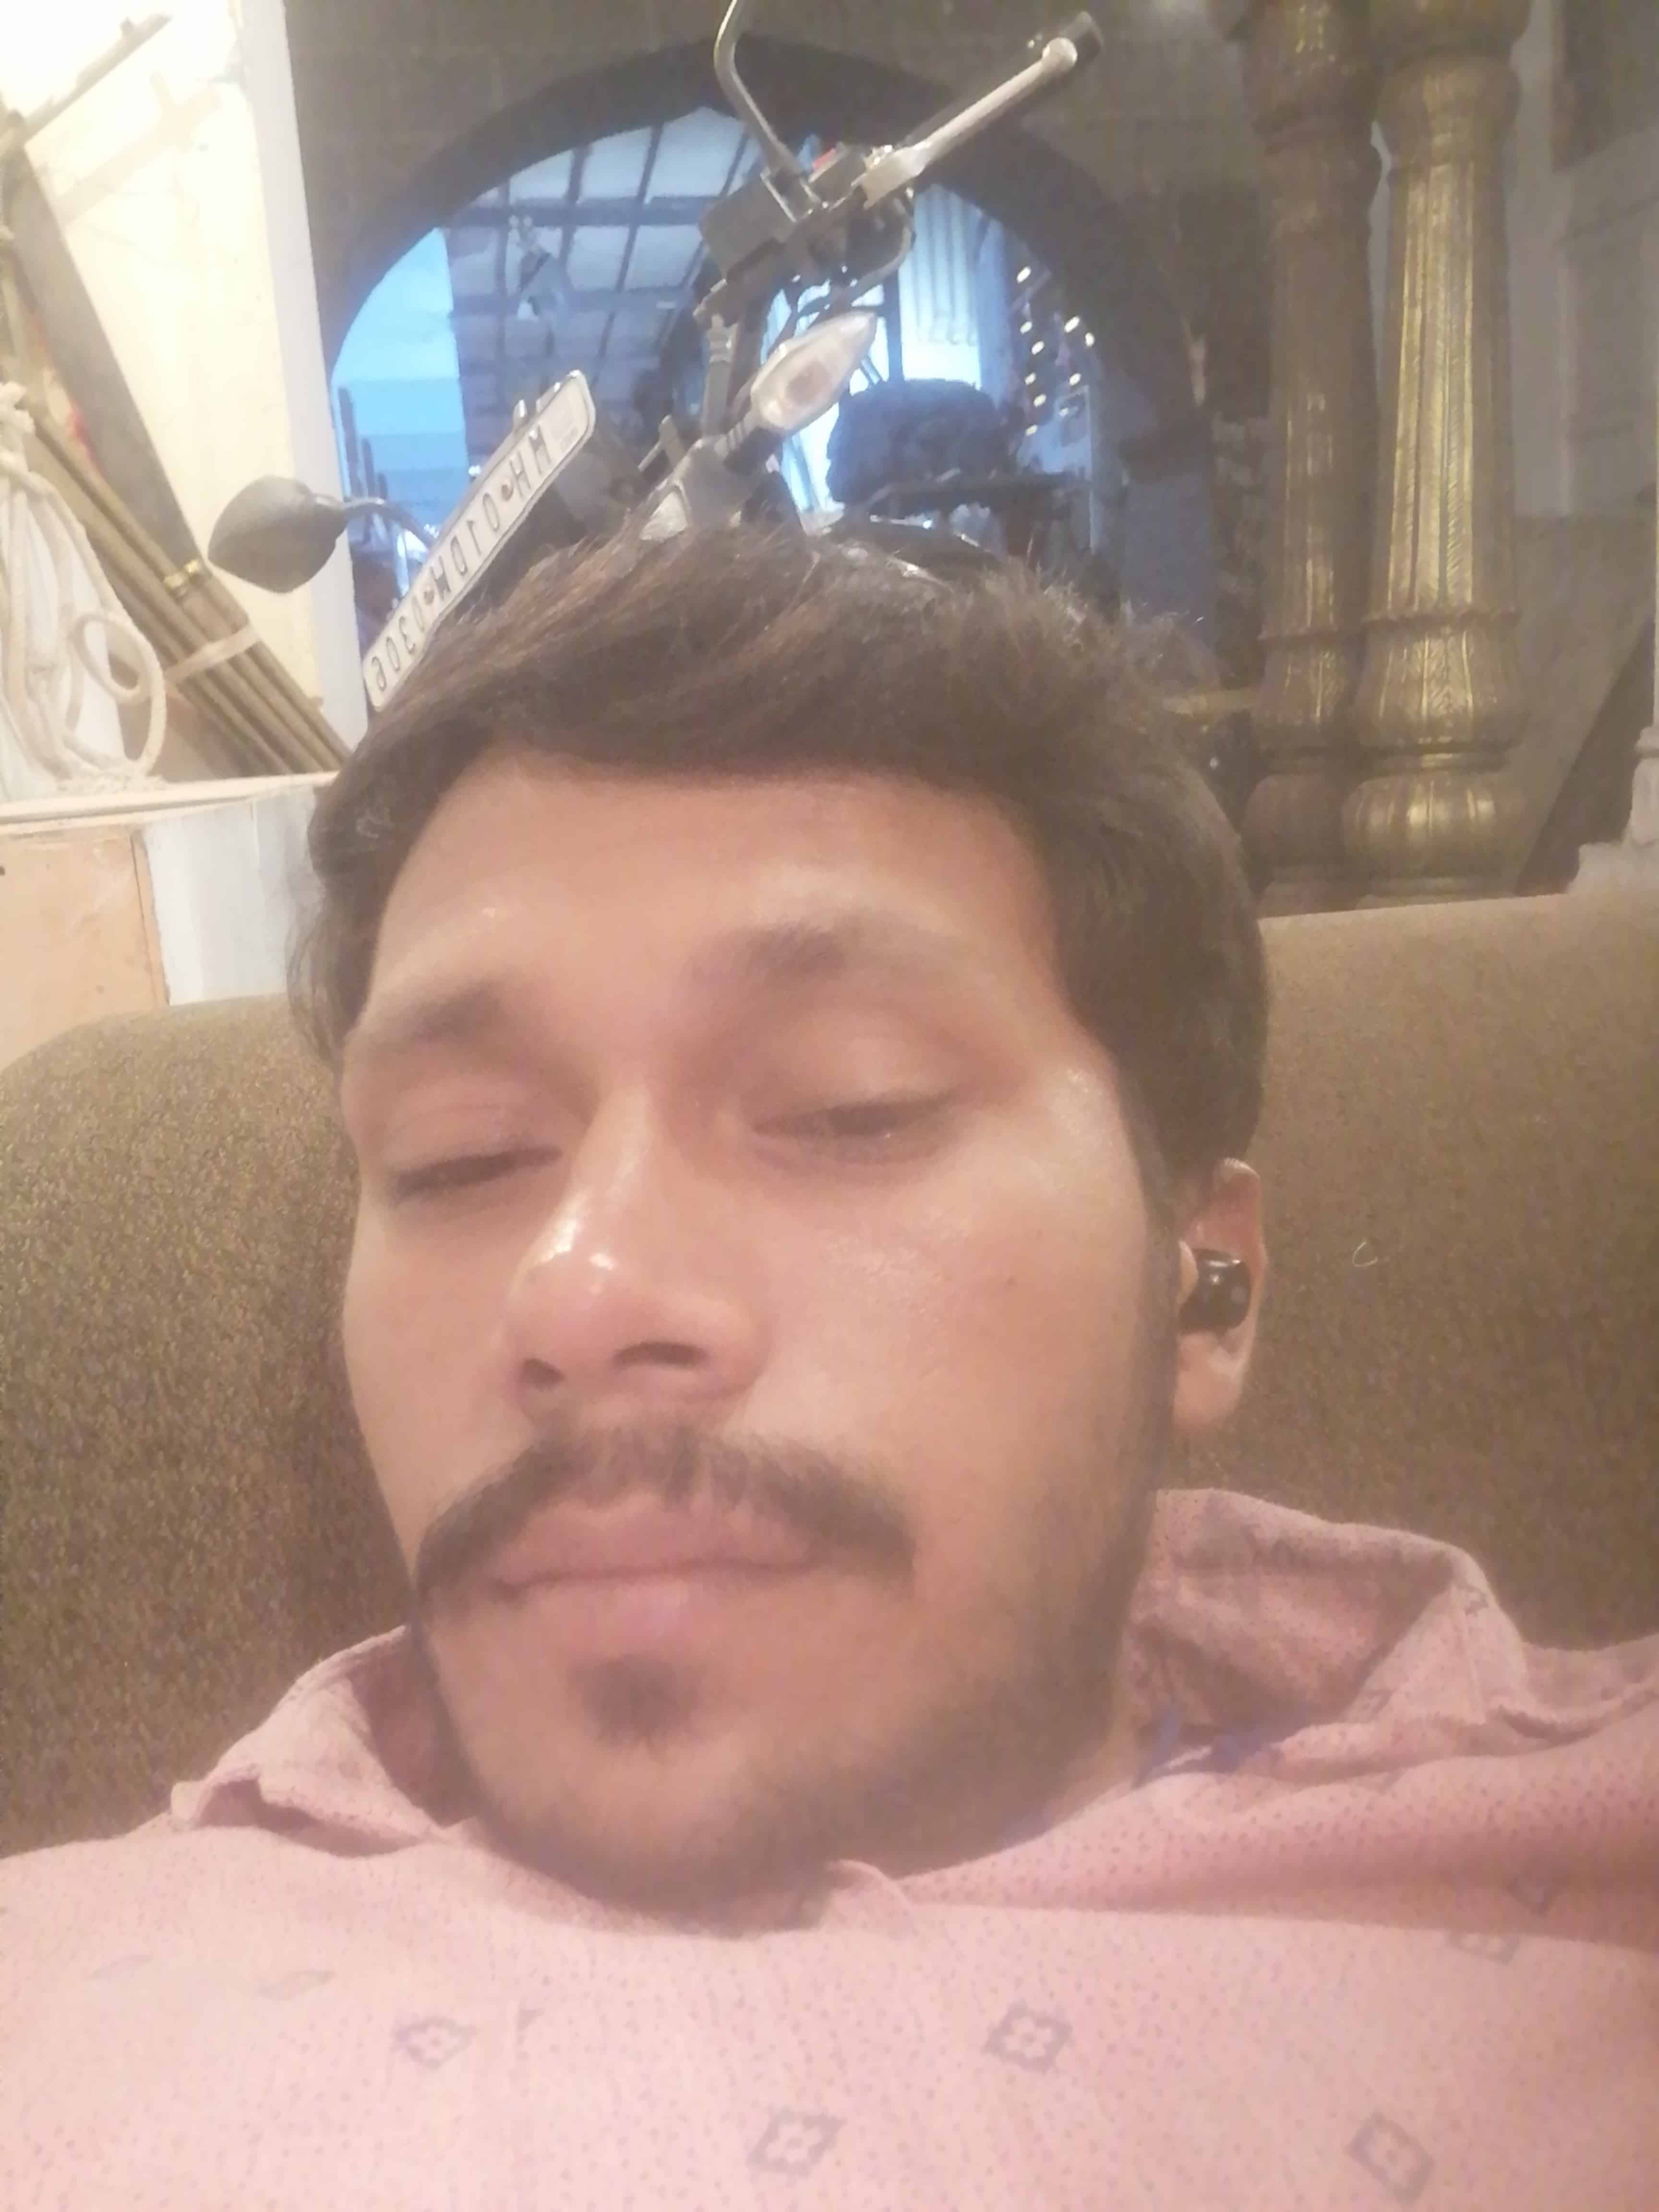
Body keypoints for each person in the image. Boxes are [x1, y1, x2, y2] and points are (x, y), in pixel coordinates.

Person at [2, 532, 1654, 2210]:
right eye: (460, 1156)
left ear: (1204, 1290)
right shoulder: (64, 1994)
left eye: (850, 1108)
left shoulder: (1596, 1911)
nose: (581, 1291)